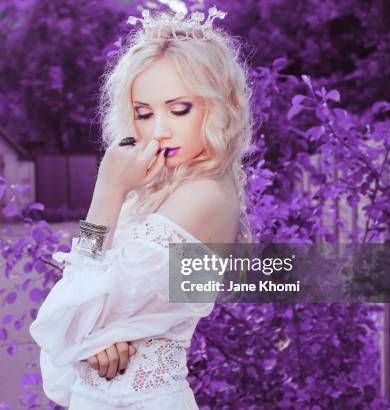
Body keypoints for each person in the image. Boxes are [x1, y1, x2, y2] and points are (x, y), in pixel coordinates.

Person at [29, 7, 253, 409]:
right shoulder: (161, 188)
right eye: (144, 113)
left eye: (179, 109)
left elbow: (72, 321)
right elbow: (81, 321)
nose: (158, 130)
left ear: (220, 106)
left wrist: (107, 190)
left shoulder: (203, 195)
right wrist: (98, 336)